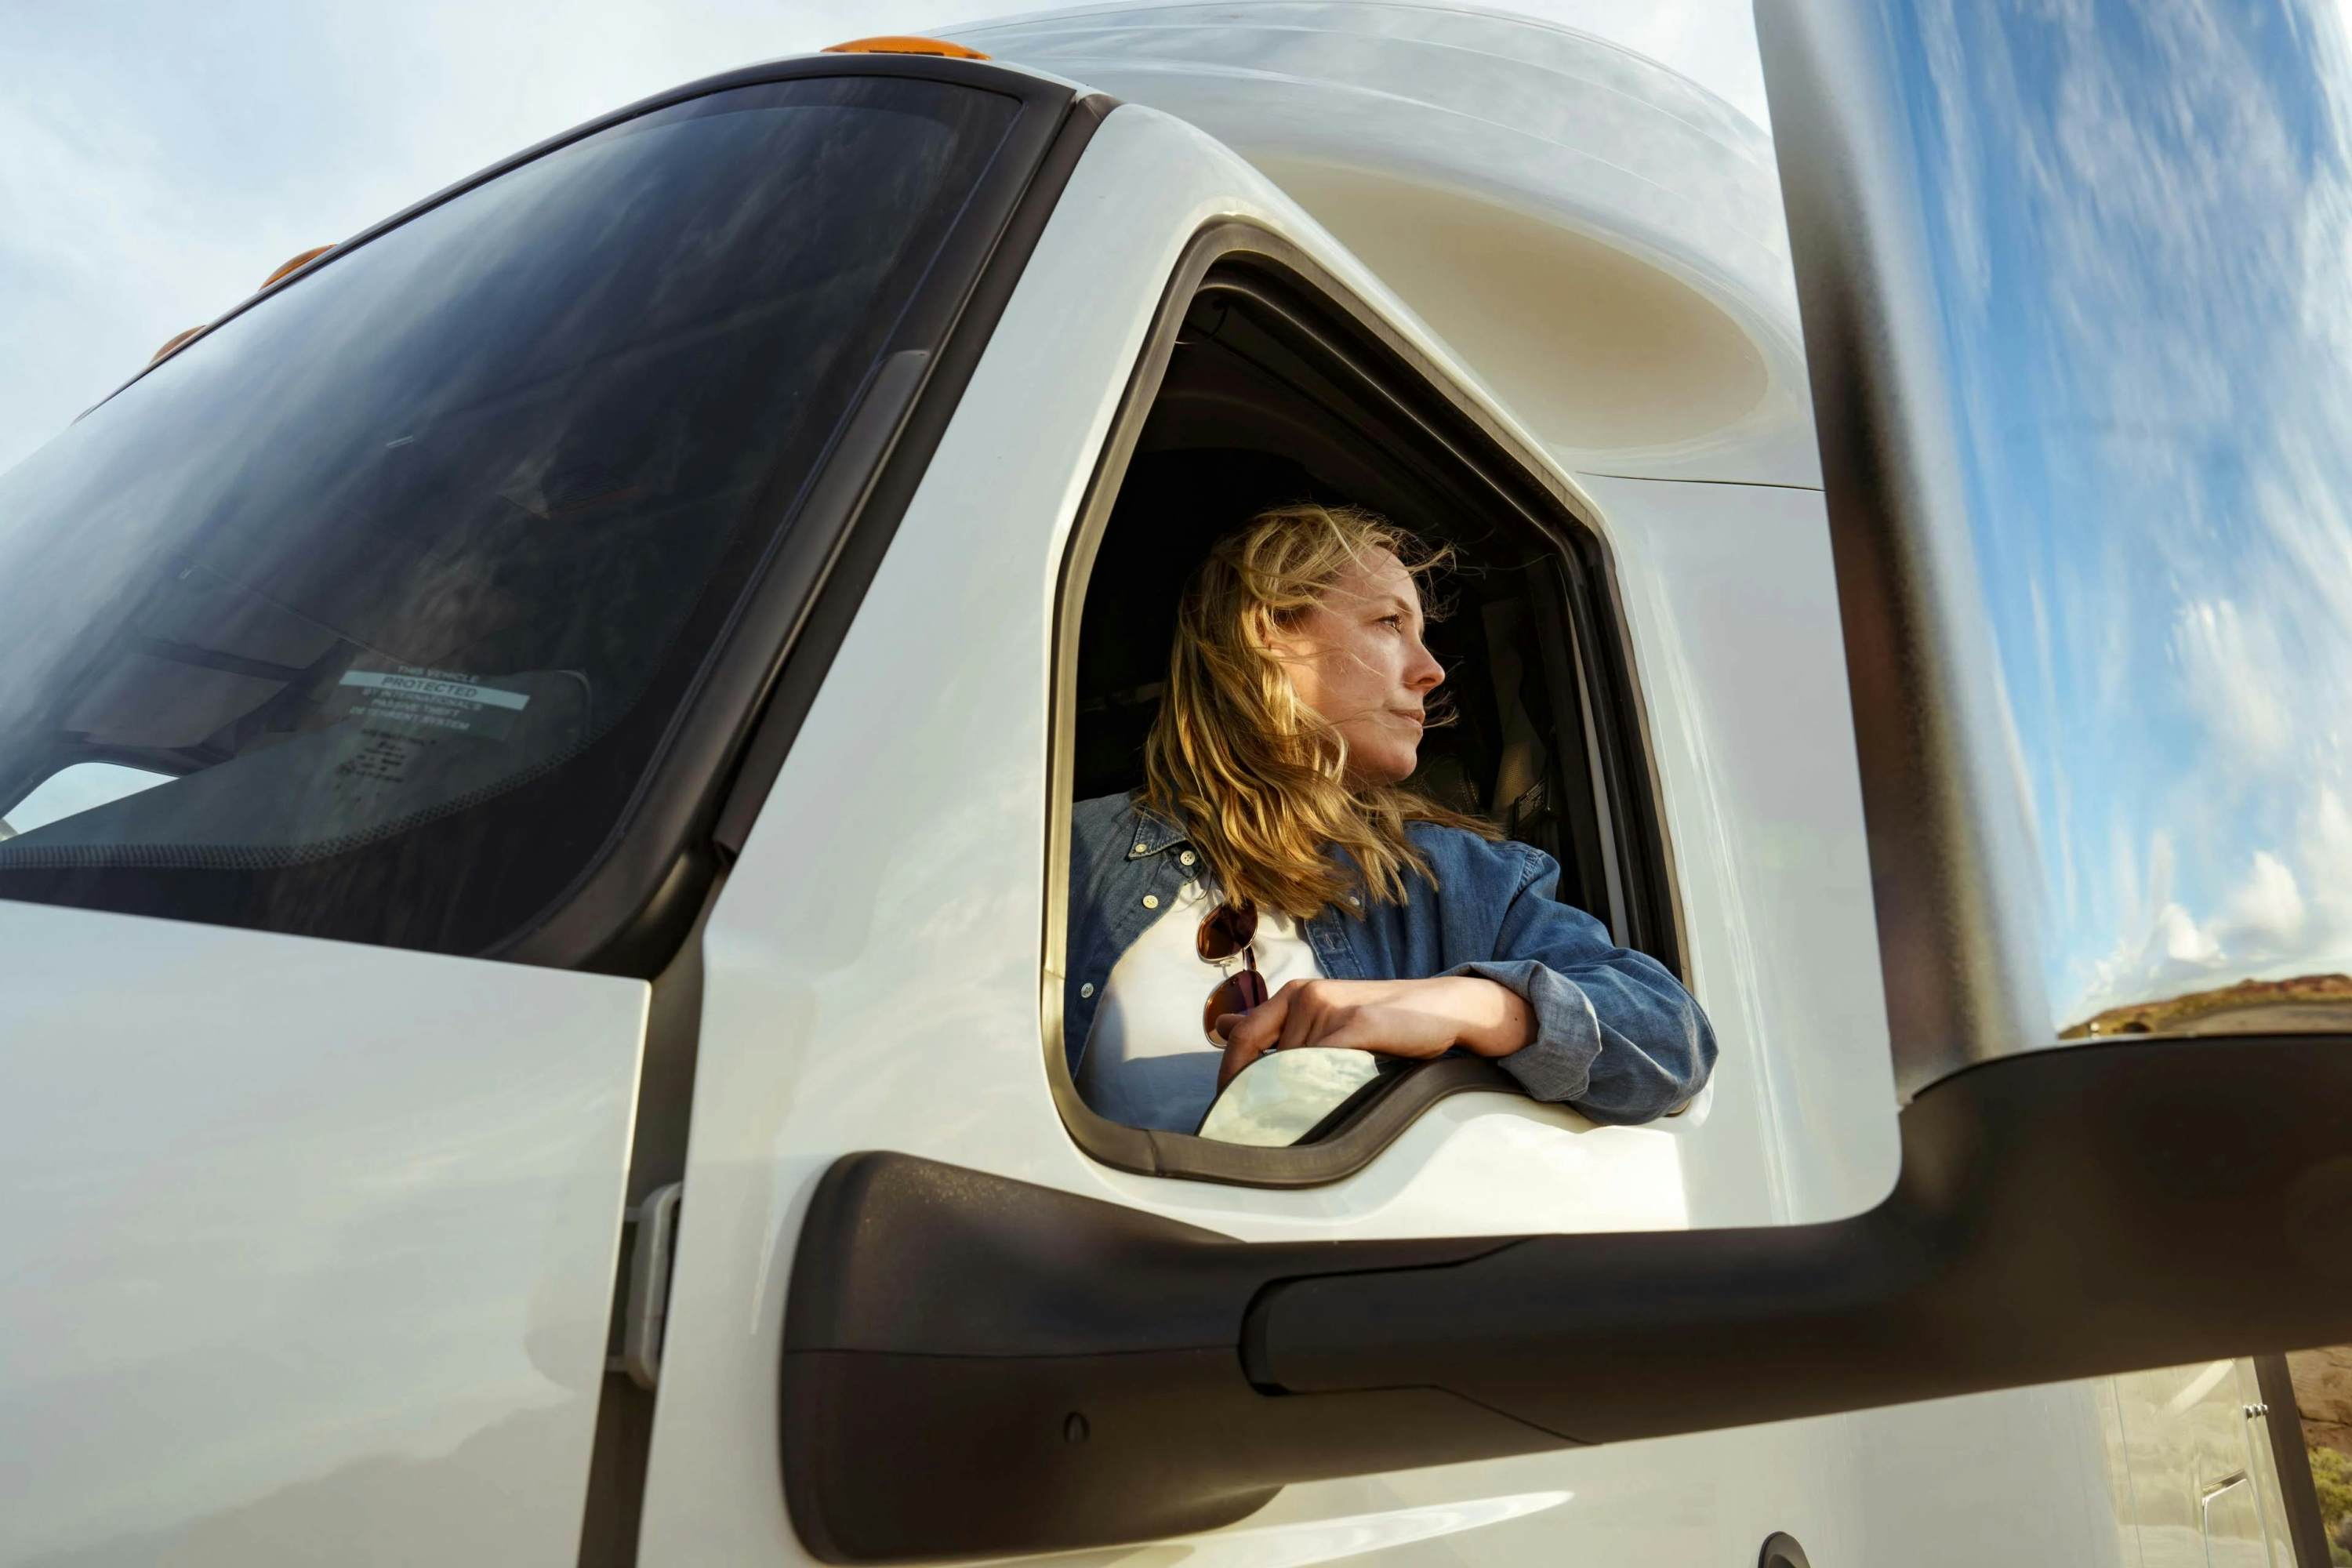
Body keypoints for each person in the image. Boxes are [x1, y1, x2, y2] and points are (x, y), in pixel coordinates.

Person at [1064, 500, 1717, 1134]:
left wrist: (1470, 1004)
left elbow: (1673, 1041)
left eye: (1421, 636)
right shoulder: (1066, 854)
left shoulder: (1460, 884)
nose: (1430, 670)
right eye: (1388, 624)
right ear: (1271, 632)